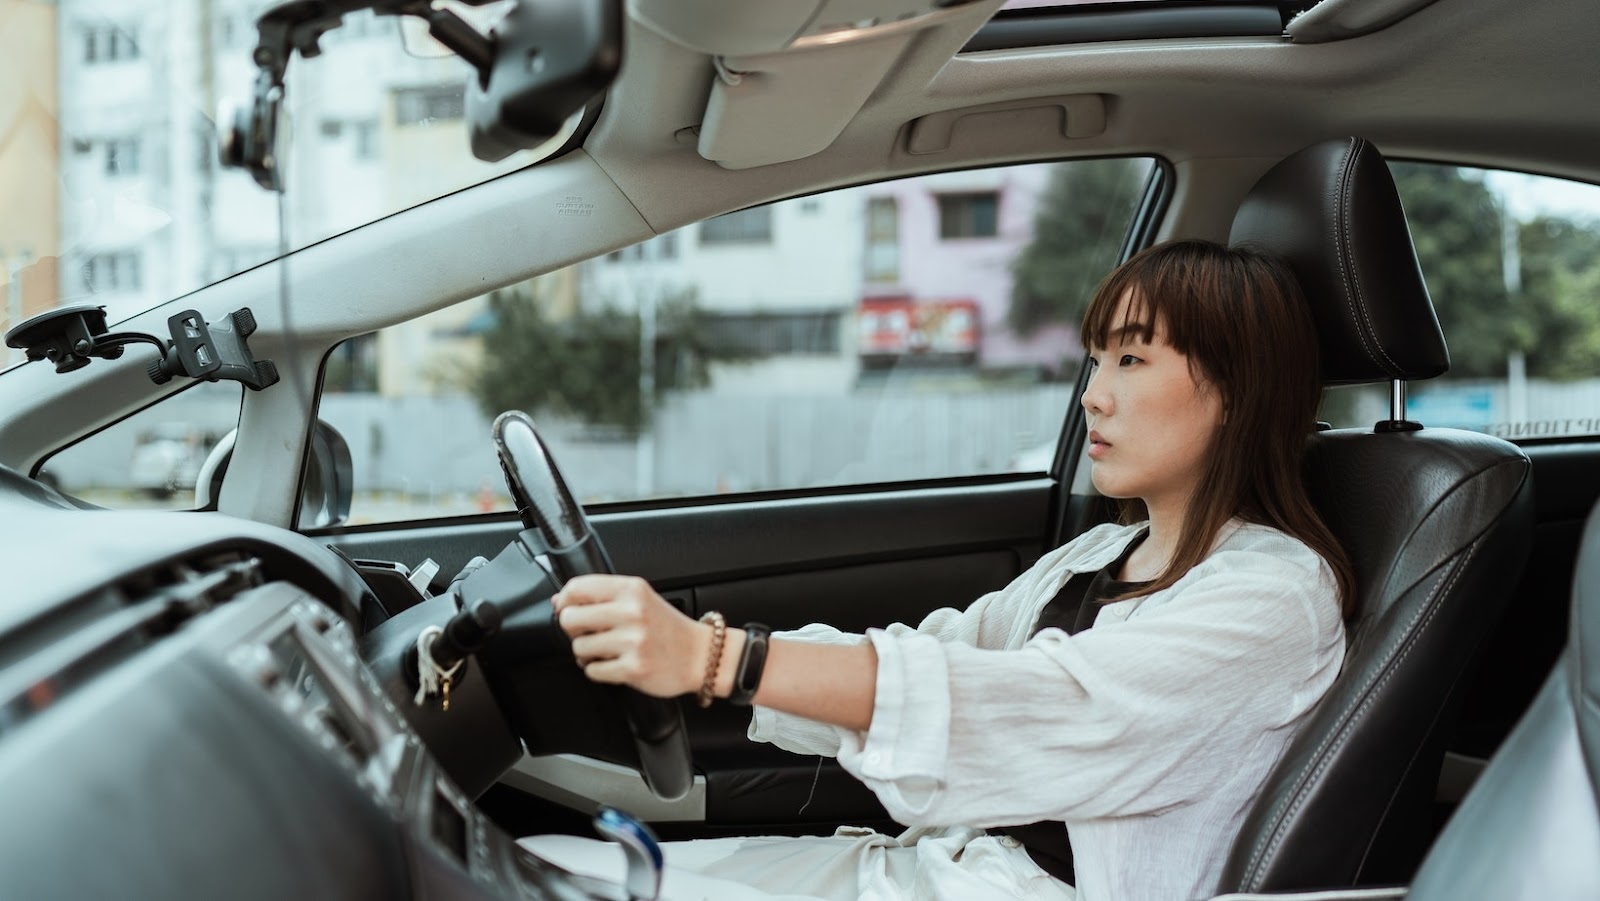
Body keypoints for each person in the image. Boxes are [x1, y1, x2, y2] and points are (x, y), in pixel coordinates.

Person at [521, 239, 1354, 901]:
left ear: (1237, 391)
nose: (1092, 395)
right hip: (935, 869)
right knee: (530, 864)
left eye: (1131, 361)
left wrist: (719, 657)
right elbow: (943, 650)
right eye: (1095, 360)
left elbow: (1023, 706)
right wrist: (711, 673)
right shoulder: (1103, 552)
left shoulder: (1274, 598)